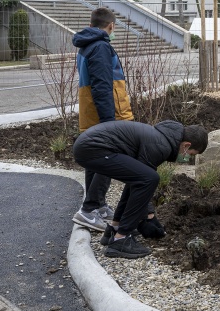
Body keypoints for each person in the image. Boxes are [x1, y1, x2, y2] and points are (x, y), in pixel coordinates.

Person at [73, 120, 208, 259]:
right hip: (92, 149)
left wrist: (148, 215)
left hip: (89, 146)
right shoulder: (161, 146)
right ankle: (121, 240)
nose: (187, 157)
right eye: (191, 154)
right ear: (186, 145)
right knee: (150, 178)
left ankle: (115, 230)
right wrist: (149, 216)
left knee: (143, 178)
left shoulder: (161, 138)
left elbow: (136, 182)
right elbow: (145, 182)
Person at [71, 8, 134, 232]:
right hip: (107, 115)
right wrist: (109, 121)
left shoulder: (88, 44)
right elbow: (102, 85)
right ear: (111, 26)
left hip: (92, 113)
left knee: (95, 159)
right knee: (109, 158)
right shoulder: (100, 46)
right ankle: (88, 211)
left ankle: (97, 205)